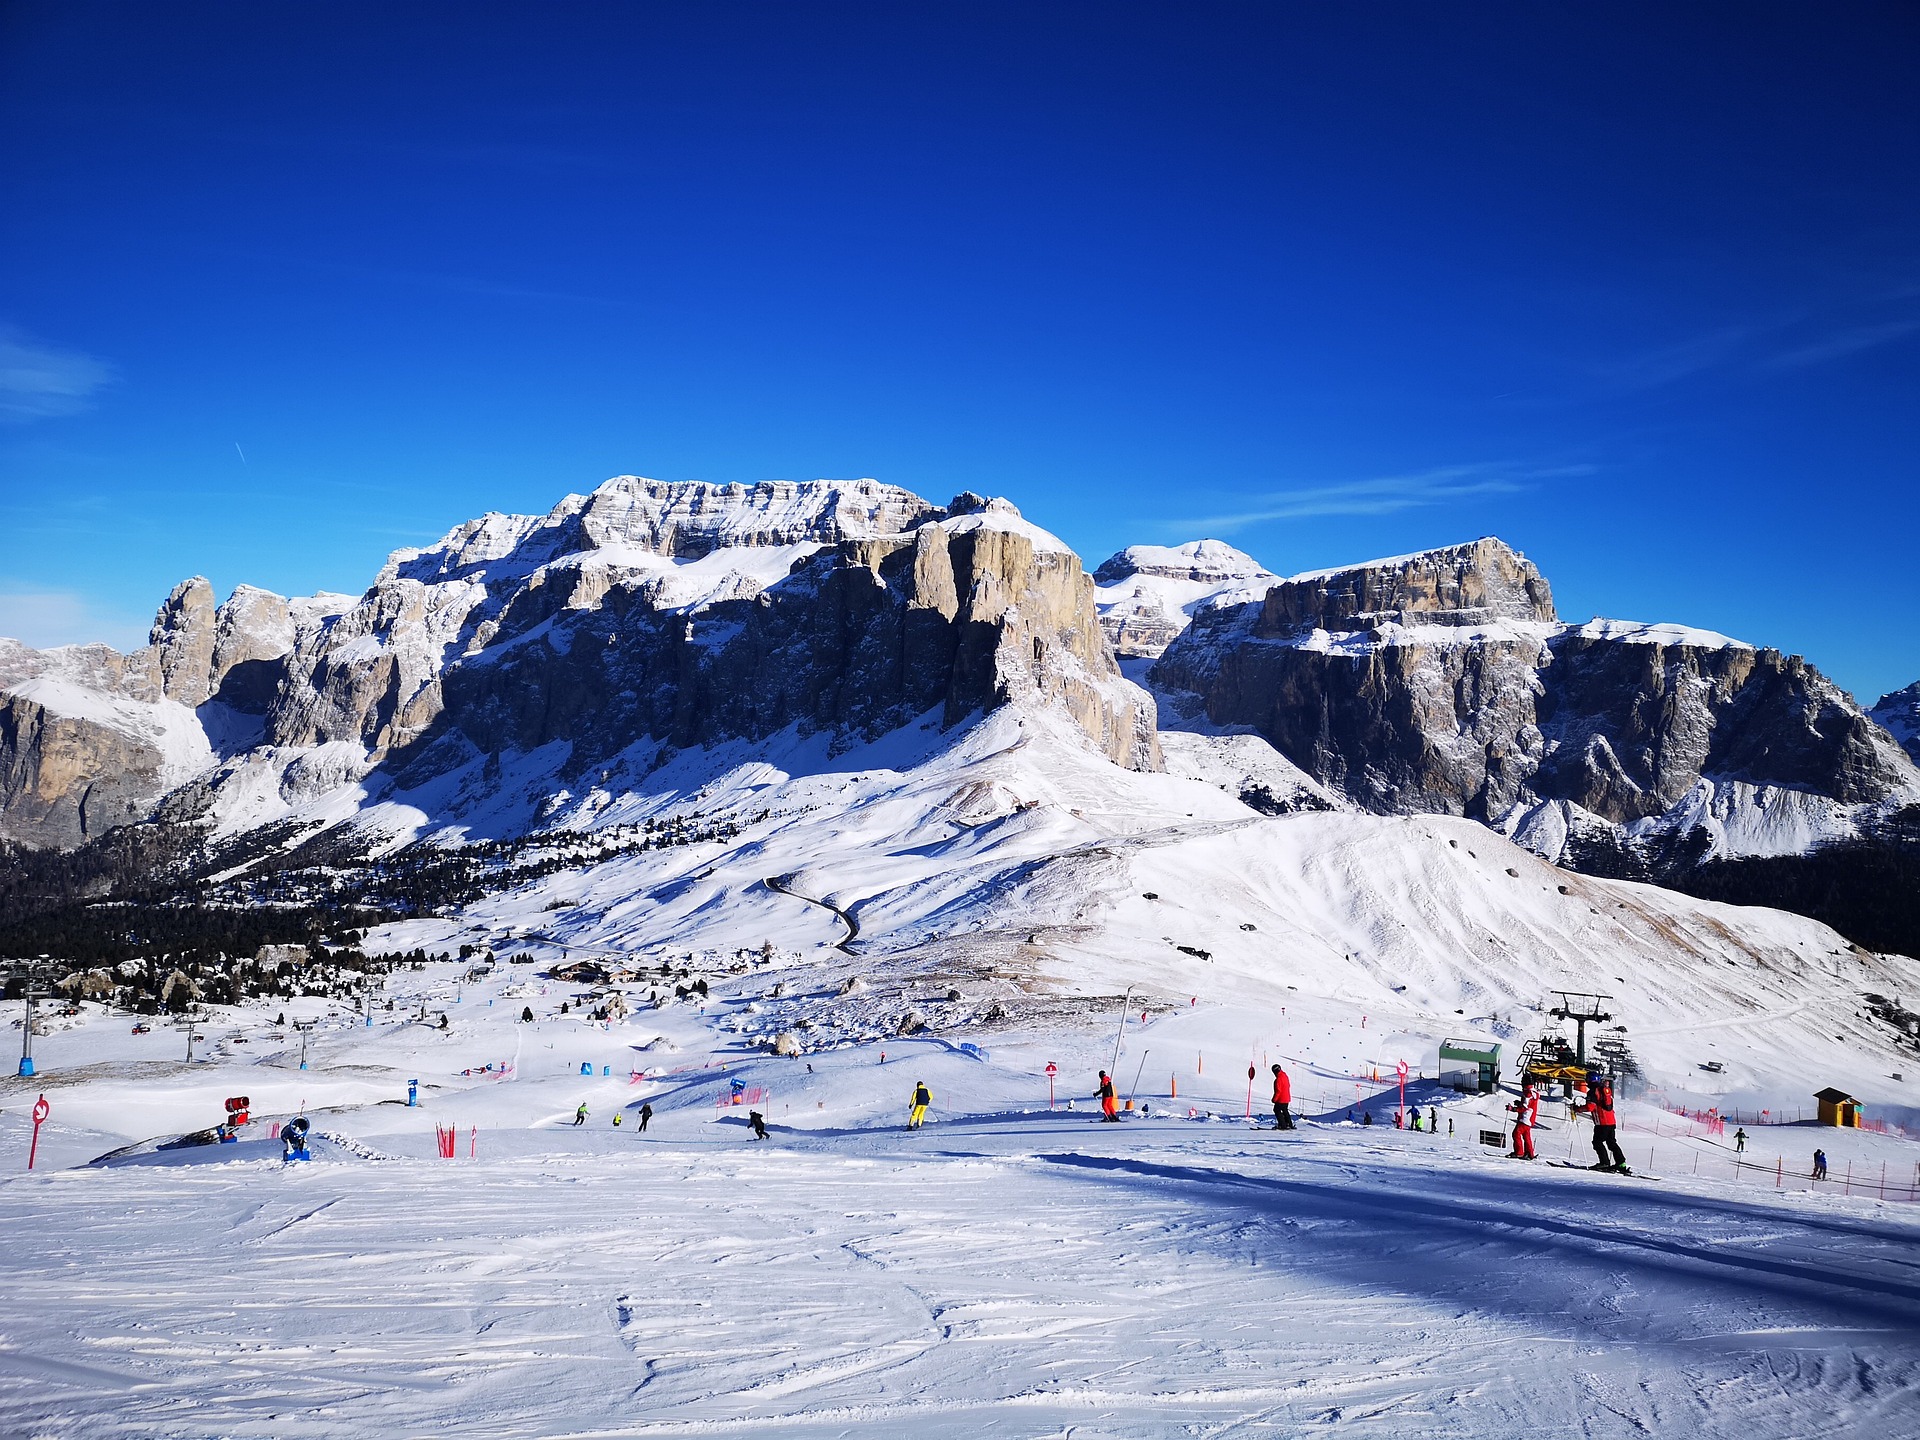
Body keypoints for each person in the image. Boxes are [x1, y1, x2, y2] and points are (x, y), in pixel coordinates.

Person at [1583, 1073, 1627, 1171]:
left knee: (1597, 1142)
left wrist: (1578, 1109)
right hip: (1611, 1121)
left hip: (1602, 1122)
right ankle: (1621, 1163)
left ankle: (1604, 1163)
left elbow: (1590, 1107)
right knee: (1611, 1142)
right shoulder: (1604, 1090)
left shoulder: (1593, 1091)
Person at [1509, 1082, 1538, 1160]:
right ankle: (1529, 1153)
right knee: (1526, 1136)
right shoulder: (1534, 1093)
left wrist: (1513, 1109)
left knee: (1516, 1134)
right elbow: (1529, 1105)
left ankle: (1519, 1152)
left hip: (1524, 1118)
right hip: (1530, 1119)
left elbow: (1524, 1108)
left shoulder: (1527, 1094)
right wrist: (1519, 1103)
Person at [1270, 1064, 1293, 1130]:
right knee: (1285, 1111)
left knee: (1276, 1110)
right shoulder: (1285, 1076)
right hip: (1287, 1097)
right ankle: (1289, 1123)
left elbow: (1278, 1091)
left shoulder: (1278, 1079)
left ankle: (1283, 1125)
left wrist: (1274, 1099)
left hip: (1281, 1099)